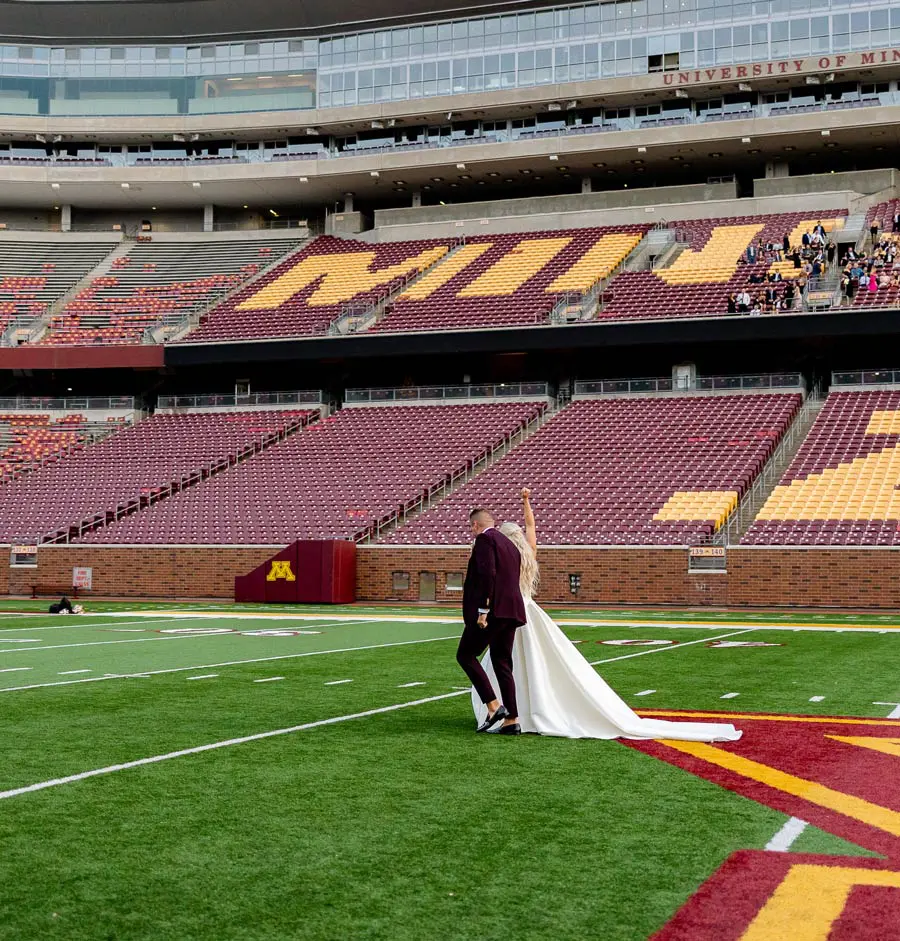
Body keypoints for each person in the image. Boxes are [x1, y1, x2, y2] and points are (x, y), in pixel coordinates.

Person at [472, 489, 742, 742]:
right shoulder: (527, 553)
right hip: (528, 612)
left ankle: (515, 712)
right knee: (531, 665)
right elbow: (531, 526)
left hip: (508, 614)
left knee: (509, 664)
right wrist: (526, 501)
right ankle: (524, 712)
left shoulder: (502, 556)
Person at [456, 507, 527, 735]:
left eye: (470, 527)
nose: (471, 531)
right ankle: (512, 720)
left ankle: (493, 706)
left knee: (465, 655)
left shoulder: (485, 540)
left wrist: (483, 610)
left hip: (493, 612)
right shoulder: (511, 545)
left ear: (476, 525)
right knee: (502, 662)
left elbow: (488, 575)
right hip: (511, 611)